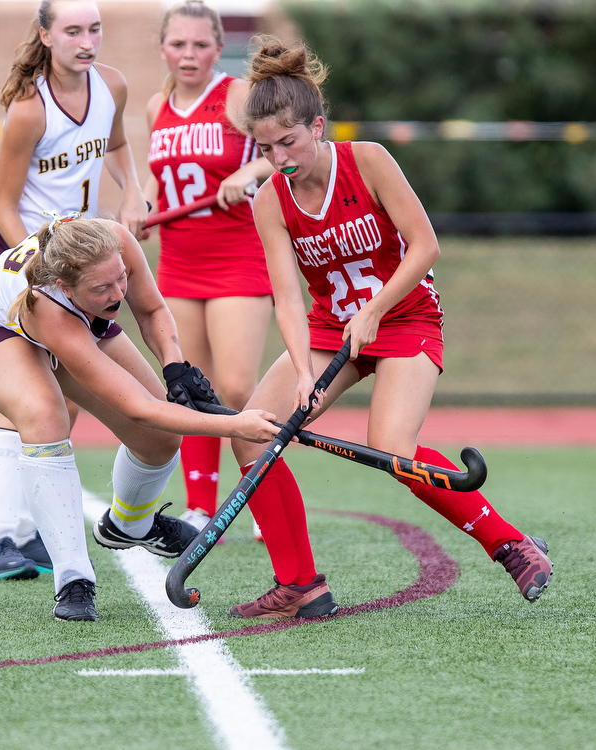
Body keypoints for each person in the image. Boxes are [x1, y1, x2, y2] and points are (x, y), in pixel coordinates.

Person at [219, 38, 553, 619]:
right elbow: (287, 297)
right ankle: (299, 583)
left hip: (405, 318)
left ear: (317, 126)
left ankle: (511, 544)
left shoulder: (367, 160)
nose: (278, 158)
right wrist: (303, 372)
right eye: (266, 148)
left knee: (392, 449)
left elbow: (426, 247)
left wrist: (374, 309)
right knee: (250, 432)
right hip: (330, 330)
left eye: (288, 142)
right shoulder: (271, 200)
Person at [0, 215, 280, 620]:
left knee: (158, 441)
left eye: (120, 278)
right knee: (45, 414)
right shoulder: (51, 306)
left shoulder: (116, 240)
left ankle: (130, 524)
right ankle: (73, 580)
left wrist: (174, 365)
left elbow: (152, 308)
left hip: (78, 315)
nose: (119, 291)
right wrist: (236, 425)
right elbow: (139, 408)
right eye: (103, 287)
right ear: (67, 286)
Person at [0, 0, 151, 581]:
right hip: (22, 258)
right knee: (28, 396)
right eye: (72, 30)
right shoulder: (29, 110)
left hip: (77, 262)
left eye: (94, 29)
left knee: (65, 395)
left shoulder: (112, 86)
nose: (86, 40)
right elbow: (2, 204)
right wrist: (36, 266)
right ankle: (0, 539)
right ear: (46, 36)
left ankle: (29, 533)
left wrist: (130, 195)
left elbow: (118, 147)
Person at [143, 1, 273, 541]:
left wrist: (250, 169)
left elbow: (283, 149)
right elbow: (156, 176)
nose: (189, 54)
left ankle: (266, 496)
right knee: (188, 391)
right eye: (178, 44)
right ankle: (200, 507)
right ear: (163, 48)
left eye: (200, 45)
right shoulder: (156, 105)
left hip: (238, 258)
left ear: (218, 49)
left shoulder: (238, 95)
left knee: (238, 389)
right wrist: (142, 209)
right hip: (177, 263)